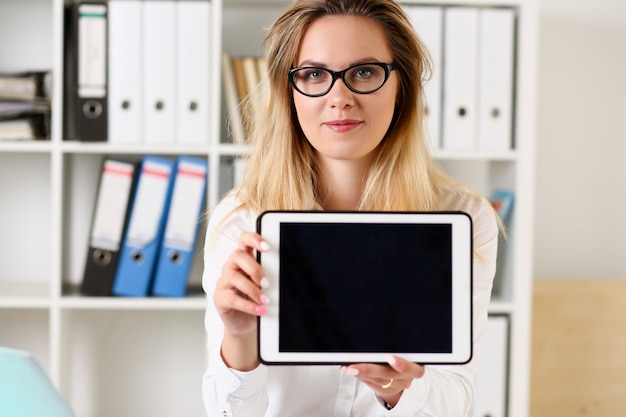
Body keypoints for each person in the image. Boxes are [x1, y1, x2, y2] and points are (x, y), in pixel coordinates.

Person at [202, 0, 499, 416]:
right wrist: (238, 337)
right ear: (289, 94)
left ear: (402, 87)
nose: (339, 97)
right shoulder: (243, 220)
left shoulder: (462, 220)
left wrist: (399, 388)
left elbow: (457, 401)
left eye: (364, 72)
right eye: (313, 74)